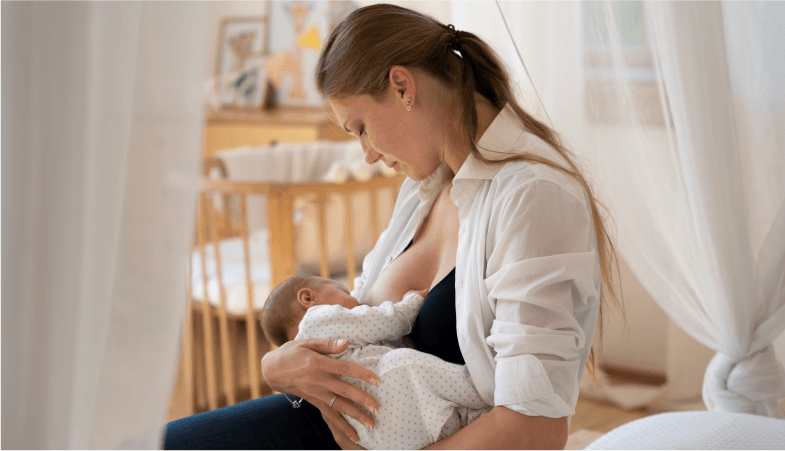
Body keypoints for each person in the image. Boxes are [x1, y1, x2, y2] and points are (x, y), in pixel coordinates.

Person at [164, 4, 623, 450]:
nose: (366, 153)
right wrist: (279, 365)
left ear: (403, 86)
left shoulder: (533, 196)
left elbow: (533, 432)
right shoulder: (424, 190)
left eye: (360, 127)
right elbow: (355, 318)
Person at [260, 275, 491, 451]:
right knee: (402, 363)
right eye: (342, 290)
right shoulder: (316, 319)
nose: (357, 300)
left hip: (385, 438)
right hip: (398, 395)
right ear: (308, 298)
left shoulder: (309, 367)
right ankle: (487, 392)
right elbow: (383, 322)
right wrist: (413, 301)